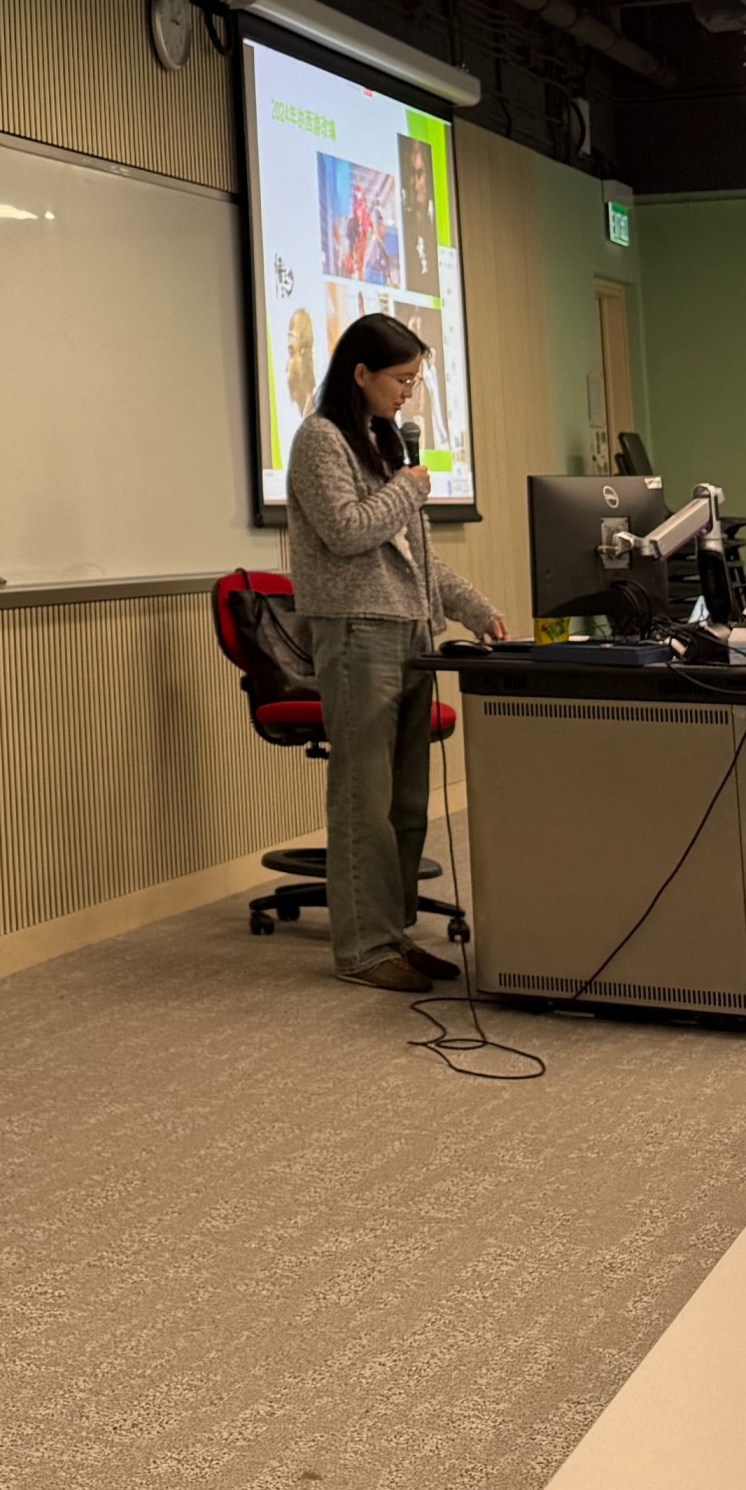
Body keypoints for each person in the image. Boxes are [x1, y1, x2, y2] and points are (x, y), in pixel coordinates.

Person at [283, 310, 507, 991]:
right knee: (365, 798)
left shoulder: (381, 443)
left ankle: (394, 934)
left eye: (414, 380)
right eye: (401, 380)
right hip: (357, 632)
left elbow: (418, 558)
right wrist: (405, 490)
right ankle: (363, 948)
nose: (409, 393)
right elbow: (347, 531)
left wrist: (477, 610)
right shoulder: (320, 440)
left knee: (407, 803)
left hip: (410, 632)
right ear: (361, 373)